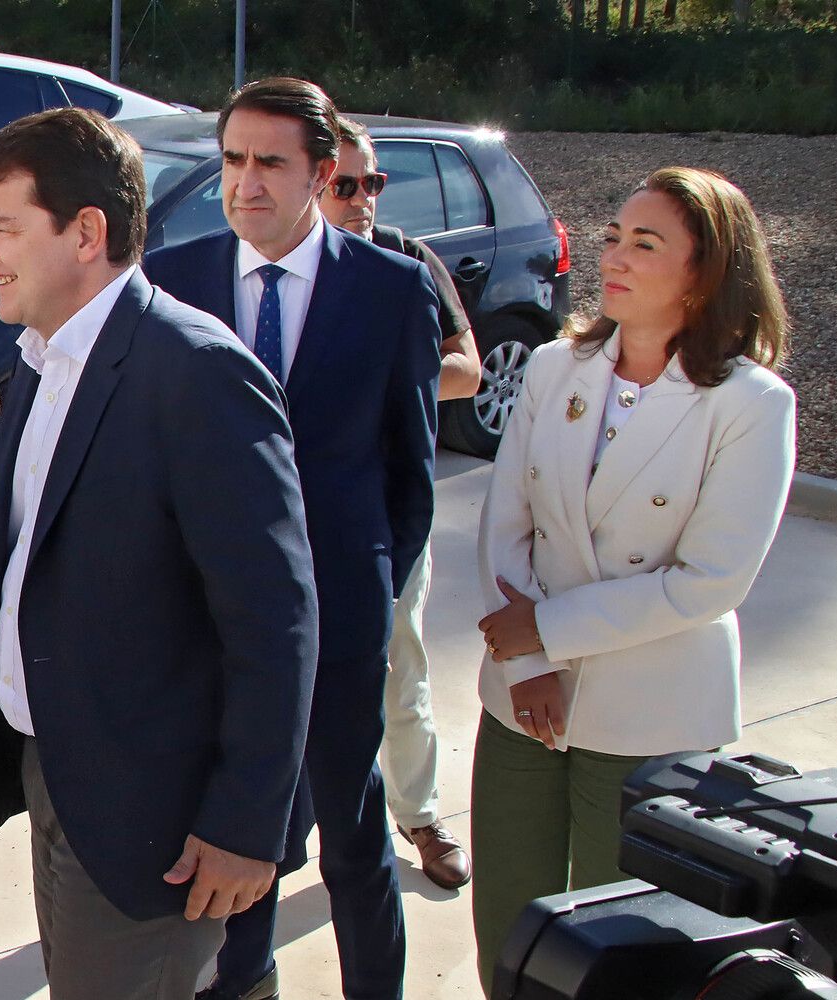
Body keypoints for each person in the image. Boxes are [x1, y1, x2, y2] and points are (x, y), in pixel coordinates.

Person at [0, 107, 320, 1000]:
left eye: (2, 228)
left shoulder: (197, 373)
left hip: (149, 814)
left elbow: (276, 625)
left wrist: (248, 823)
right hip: (58, 778)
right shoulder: (44, 360)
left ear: (86, 233)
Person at [146, 78, 442, 1000]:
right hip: (209, 622)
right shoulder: (175, 278)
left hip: (342, 622)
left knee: (353, 842)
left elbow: (412, 477)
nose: (247, 183)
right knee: (240, 833)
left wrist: (361, 594)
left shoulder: (392, 292)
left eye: (271, 162)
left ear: (322, 174)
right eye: (233, 160)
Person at [471, 166, 794, 995]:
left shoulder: (751, 404)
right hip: (522, 698)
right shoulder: (553, 367)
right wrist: (526, 660)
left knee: (621, 947)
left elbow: (709, 581)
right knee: (510, 925)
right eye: (613, 237)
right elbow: (506, 521)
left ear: (706, 271)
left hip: (653, 711)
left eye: (644, 244)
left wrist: (549, 632)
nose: (613, 255)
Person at [320, 115, 478, 891]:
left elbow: (468, 369)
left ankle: (418, 813)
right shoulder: (276, 276)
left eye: (373, 183)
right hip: (290, 518)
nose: (363, 200)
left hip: (386, 515)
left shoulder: (409, 265)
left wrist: (390, 378)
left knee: (399, 670)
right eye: (346, 185)